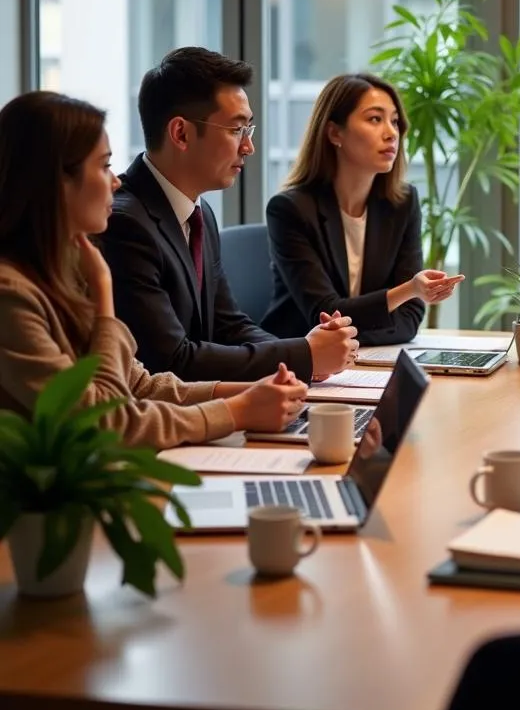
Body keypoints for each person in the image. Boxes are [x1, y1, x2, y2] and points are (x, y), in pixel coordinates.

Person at [0, 92, 308, 450]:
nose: (115, 182)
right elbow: (102, 421)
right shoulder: (12, 295)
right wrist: (236, 411)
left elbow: (141, 387)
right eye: (103, 166)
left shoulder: (61, 274)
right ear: (56, 183)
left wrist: (252, 391)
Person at [98, 47, 357, 383]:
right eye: (237, 130)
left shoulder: (199, 211)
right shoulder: (125, 224)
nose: (248, 146)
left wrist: (306, 355)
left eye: (248, 130)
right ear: (181, 133)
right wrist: (303, 355)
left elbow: (228, 325)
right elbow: (171, 360)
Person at [261, 73, 462, 345]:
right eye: (375, 119)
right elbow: (323, 313)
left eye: (394, 121)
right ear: (334, 133)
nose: (392, 133)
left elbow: (411, 317)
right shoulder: (290, 209)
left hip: (366, 362)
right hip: (297, 367)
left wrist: (353, 334)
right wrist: (409, 289)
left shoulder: (402, 203)